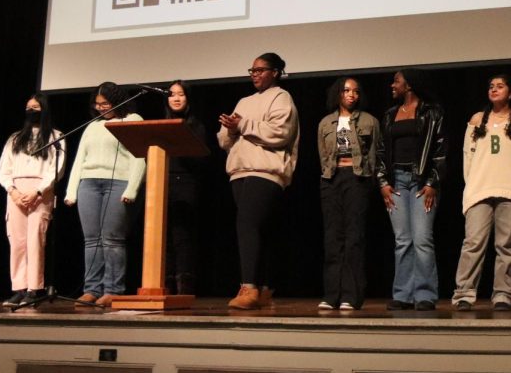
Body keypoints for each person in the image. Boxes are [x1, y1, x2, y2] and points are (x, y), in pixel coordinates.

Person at [219, 52, 299, 310]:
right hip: (240, 171)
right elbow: (223, 140)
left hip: (265, 171)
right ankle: (264, 288)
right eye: (252, 71)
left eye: (260, 70)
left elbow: (280, 133)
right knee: (260, 231)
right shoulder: (243, 101)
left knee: (247, 225)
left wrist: (243, 125)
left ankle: (249, 287)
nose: (255, 75)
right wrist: (232, 128)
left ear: (275, 72)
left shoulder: (281, 97)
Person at [452, 74, 511, 311]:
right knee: (473, 241)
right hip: (480, 188)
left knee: (507, 244)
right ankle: (464, 292)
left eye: (500, 86)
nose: (494, 89)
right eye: (491, 86)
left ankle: (503, 294)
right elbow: (468, 155)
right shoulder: (477, 120)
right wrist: (472, 184)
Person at [64, 82, 146, 306]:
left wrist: (132, 188)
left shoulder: (133, 120)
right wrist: (72, 190)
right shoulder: (93, 126)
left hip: (118, 183)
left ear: (118, 101)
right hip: (88, 184)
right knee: (92, 241)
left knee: (112, 239)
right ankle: (92, 288)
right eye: (97, 104)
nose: (100, 108)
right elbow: (80, 159)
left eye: (105, 103)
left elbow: (139, 156)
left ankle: (113, 289)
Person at [376, 69, 446, 311]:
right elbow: (382, 151)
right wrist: (383, 182)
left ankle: (425, 294)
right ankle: (403, 294)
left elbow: (440, 151)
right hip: (397, 182)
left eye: (396, 80)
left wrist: (432, 183)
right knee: (402, 240)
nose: (392, 85)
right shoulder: (390, 114)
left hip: (421, 183)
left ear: (409, 84)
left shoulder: (431, 113)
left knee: (422, 239)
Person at [317, 76, 381, 311]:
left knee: (354, 238)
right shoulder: (325, 123)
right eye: (346, 91)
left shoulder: (369, 121)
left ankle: (351, 296)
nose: (352, 95)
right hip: (331, 180)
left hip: (357, 179)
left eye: (356, 91)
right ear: (338, 94)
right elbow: (323, 155)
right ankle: (331, 295)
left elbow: (374, 155)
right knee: (333, 238)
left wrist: (369, 182)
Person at [0, 93, 64, 308]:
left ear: (44, 110)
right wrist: (13, 191)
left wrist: (38, 191)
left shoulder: (56, 136)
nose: (31, 111)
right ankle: (19, 288)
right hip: (16, 192)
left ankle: (34, 288)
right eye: (28, 107)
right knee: (16, 242)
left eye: (35, 107)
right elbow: (3, 170)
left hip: (40, 192)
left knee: (35, 240)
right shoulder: (15, 138)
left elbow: (57, 169)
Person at [163, 80, 211, 295]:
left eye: (180, 94)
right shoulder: (159, 125)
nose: (176, 98)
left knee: (182, 237)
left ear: (188, 98)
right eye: (172, 94)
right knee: (162, 238)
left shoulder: (196, 126)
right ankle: (164, 284)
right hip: (161, 182)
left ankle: (184, 287)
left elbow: (201, 159)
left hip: (186, 183)